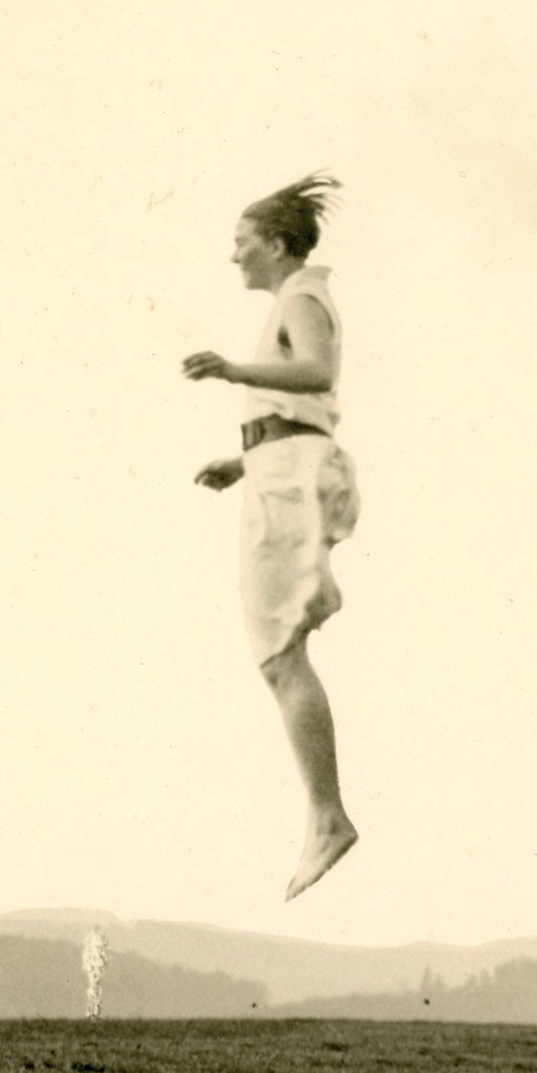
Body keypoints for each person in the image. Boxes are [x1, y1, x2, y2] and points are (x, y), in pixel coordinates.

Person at [184, 173, 362, 900]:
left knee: (280, 651)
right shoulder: (293, 301)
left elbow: (318, 373)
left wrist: (231, 369)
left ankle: (327, 816)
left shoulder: (300, 297)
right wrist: (244, 458)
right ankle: (324, 813)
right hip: (280, 466)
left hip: (292, 473)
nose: (234, 256)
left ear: (278, 244)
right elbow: (297, 403)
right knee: (278, 652)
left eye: (242, 242)